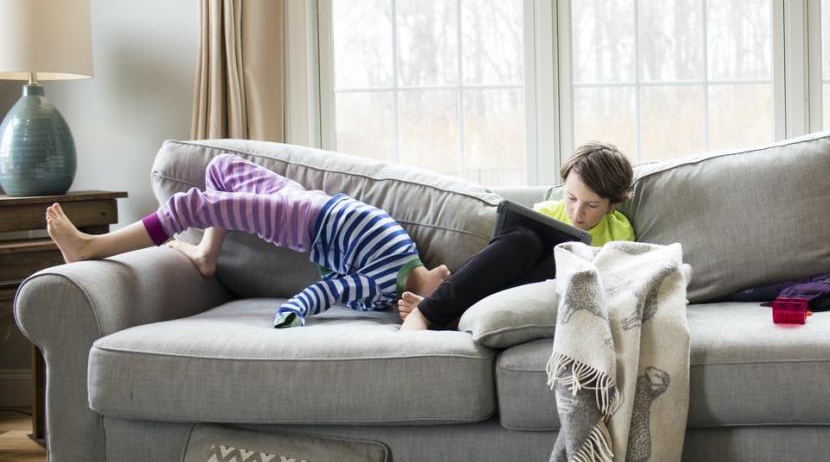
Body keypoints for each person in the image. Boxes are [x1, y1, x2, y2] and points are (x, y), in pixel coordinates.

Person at [44, 154, 451, 328]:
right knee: (221, 169)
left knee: (191, 205)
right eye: (449, 288)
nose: (449, 277)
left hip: (302, 221)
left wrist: (294, 311)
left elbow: (333, 288)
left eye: (446, 292)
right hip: (308, 205)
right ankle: (207, 254)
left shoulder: (386, 287)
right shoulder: (406, 261)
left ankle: (90, 248)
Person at [396, 141, 635, 331]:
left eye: (591, 205)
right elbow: (499, 263)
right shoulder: (544, 214)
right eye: (571, 198)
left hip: (537, 294)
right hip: (500, 283)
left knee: (566, 256)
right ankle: (429, 312)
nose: (577, 212)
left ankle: (443, 314)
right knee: (523, 240)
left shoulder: (620, 231)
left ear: (612, 205)